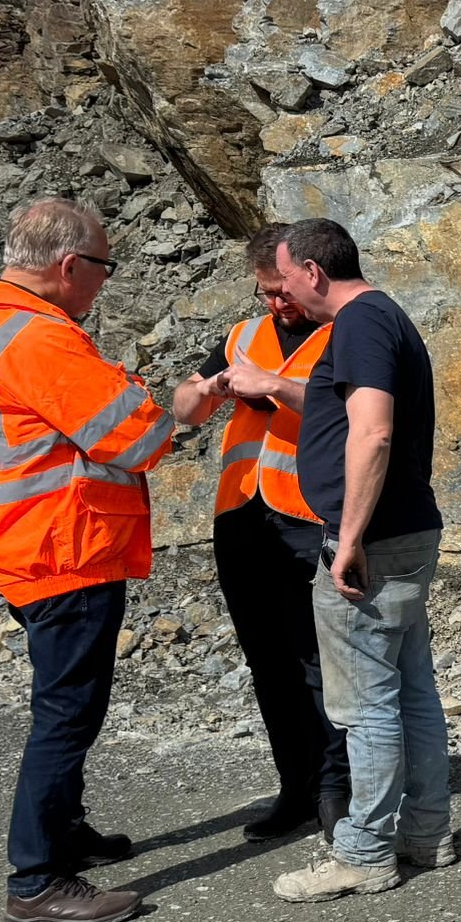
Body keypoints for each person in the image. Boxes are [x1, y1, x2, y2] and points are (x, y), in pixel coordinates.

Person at [0, 198, 173, 922]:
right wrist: (165, 401)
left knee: (67, 705)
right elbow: (138, 438)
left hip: (35, 544)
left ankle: (64, 832)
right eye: (104, 267)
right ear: (71, 265)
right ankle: (37, 879)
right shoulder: (38, 335)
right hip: (61, 549)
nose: (105, 281)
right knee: (67, 714)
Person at [266, 218, 453, 902]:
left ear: (313, 271)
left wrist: (347, 540)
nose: (284, 294)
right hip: (404, 533)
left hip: (372, 544)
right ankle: (427, 832)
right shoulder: (384, 317)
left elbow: (372, 434)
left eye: (286, 279)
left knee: (366, 705)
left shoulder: (360, 323)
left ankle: (366, 851)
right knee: (412, 689)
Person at [172, 225, 350, 842]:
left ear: (307, 274)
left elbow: (354, 411)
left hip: (307, 516)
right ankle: (295, 788)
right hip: (242, 516)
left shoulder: (345, 330)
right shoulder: (243, 336)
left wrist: (273, 387)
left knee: (320, 662)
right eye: (265, 292)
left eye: (283, 291)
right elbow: (184, 410)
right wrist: (207, 389)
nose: (276, 303)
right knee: (269, 661)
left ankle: (337, 791)